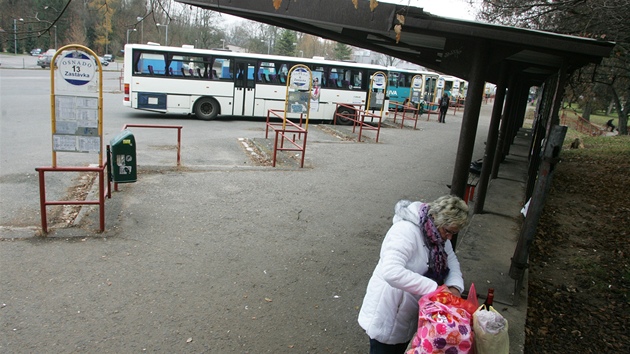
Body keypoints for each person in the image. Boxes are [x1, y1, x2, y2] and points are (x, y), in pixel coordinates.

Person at [358, 195, 469, 354]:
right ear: (437, 218)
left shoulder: (439, 236)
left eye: (454, 233)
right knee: (384, 347)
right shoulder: (405, 231)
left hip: (409, 309)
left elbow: (452, 262)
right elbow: (391, 271)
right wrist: (435, 289)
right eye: (448, 231)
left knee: (400, 346)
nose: (449, 237)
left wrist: (454, 288)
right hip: (389, 307)